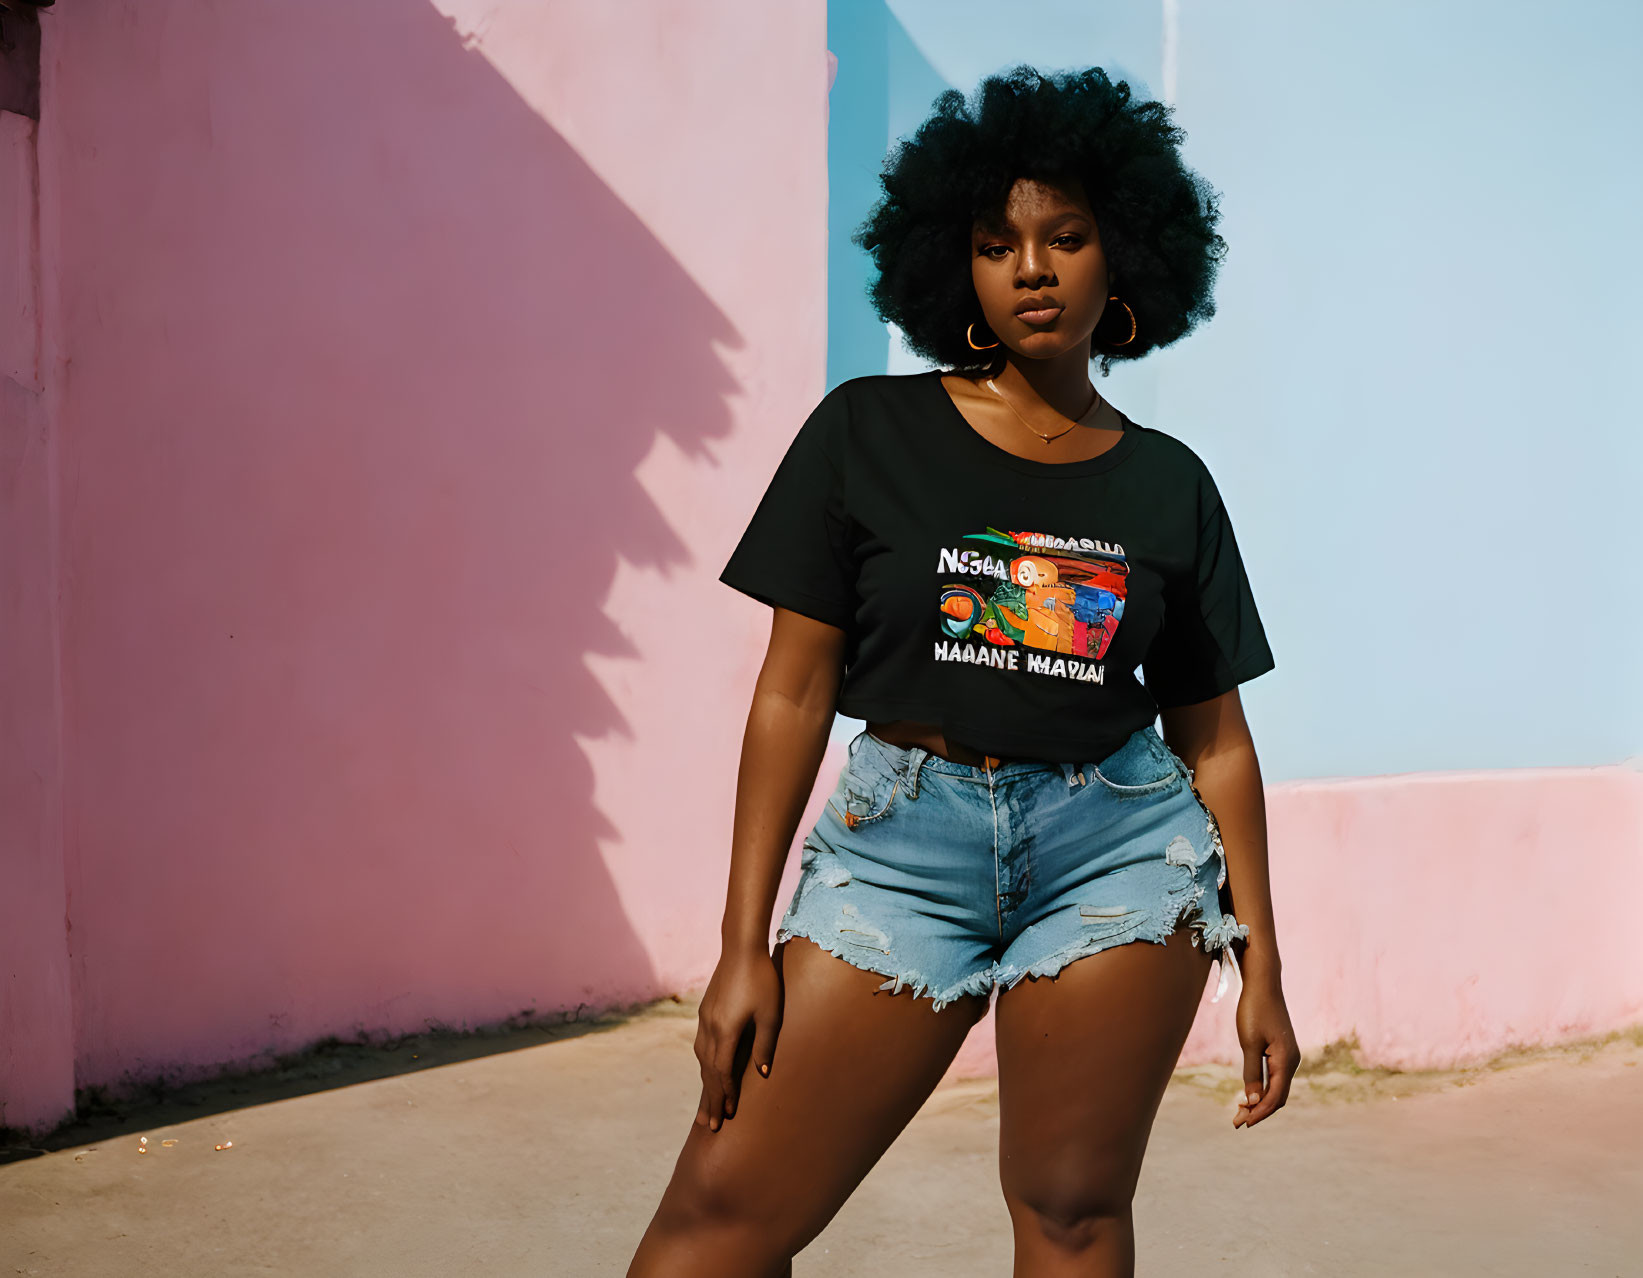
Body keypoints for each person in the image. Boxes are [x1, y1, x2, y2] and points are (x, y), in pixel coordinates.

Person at [628, 64, 1301, 1278]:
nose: (1031, 268)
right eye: (997, 244)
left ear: (1123, 260)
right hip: (899, 853)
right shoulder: (865, 432)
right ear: (959, 267)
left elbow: (1215, 739)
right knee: (718, 1222)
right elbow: (789, 693)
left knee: (1070, 1216)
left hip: (1116, 858)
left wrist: (1260, 965)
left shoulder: (1167, 485)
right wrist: (740, 946)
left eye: (1065, 237)